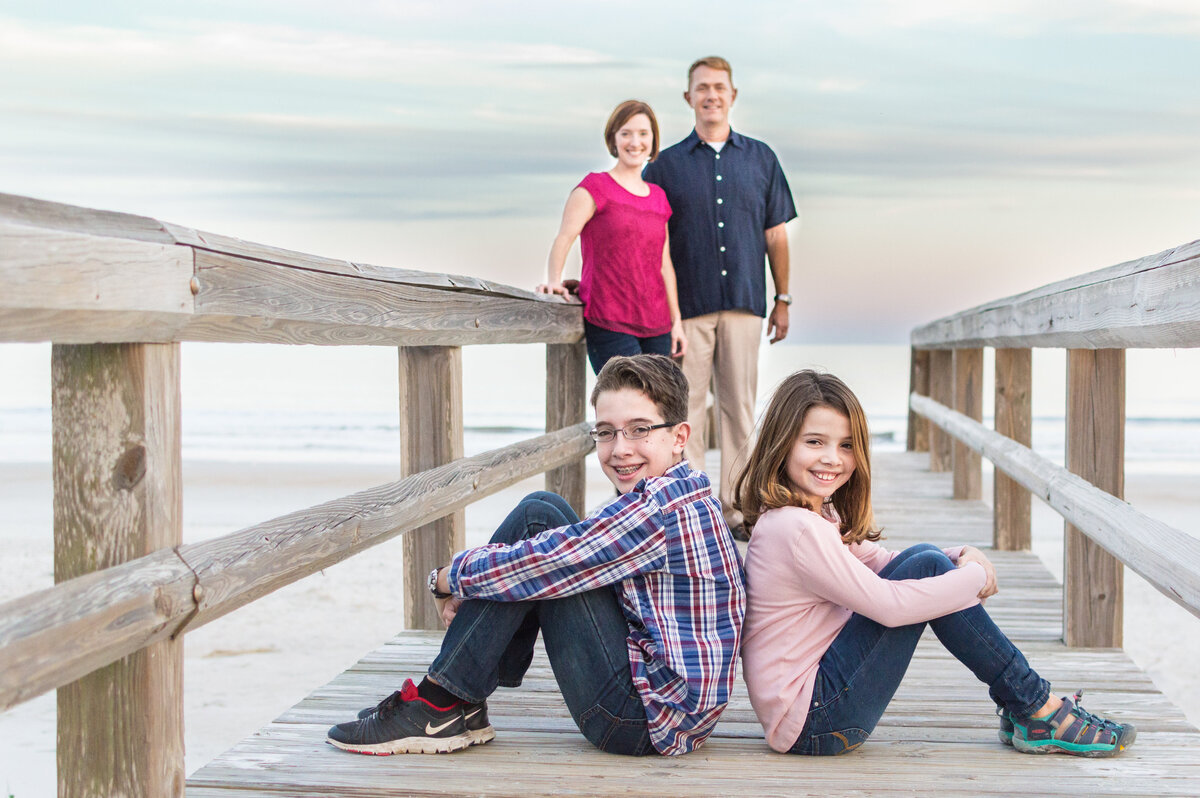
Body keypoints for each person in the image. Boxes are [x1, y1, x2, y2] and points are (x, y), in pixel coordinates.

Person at [327, 354, 746, 757]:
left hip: (637, 721)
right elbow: (568, 556)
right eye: (606, 431)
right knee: (545, 533)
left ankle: (442, 702)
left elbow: (549, 562)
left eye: (639, 429)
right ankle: (458, 700)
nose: (620, 449)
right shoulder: (684, 490)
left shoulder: (657, 513)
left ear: (679, 437)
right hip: (672, 711)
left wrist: (448, 577)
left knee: (539, 519)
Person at [734, 370, 1136, 758]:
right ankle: (1035, 707)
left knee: (926, 558)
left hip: (813, 709)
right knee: (926, 566)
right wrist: (973, 576)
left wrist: (960, 555)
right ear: (781, 443)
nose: (832, 458)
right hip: (815, 720)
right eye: (815, 442)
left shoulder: (810, 517)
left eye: (846, 445)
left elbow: (885, 561)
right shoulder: (796, 528)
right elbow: (890, 608)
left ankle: (1029, 706)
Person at [643, 56, 796, 540]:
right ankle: (691, 510)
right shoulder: (663, 166)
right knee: (685, 412)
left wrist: (784, 298)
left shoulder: (762, 159)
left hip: (747, 303)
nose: (711, 95)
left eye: (719, 87)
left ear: (733, 95)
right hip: (687, 311)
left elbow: (777, 236)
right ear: (688, 98)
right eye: (702, 88)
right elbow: (650, 241)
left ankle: (736, 511)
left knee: (739, 409)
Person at [538, 100, 686, 374]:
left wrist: (676, 321)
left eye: (643, 133)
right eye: (626, 133)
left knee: (657, 410)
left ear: (653, 141)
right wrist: (554, 281)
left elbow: (664, 264)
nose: (635, 142)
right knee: (626, 406)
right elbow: (564, 238)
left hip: (658, 325)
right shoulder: (594, 187)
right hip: (609, 320)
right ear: (613, 139)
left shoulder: (659, 197)